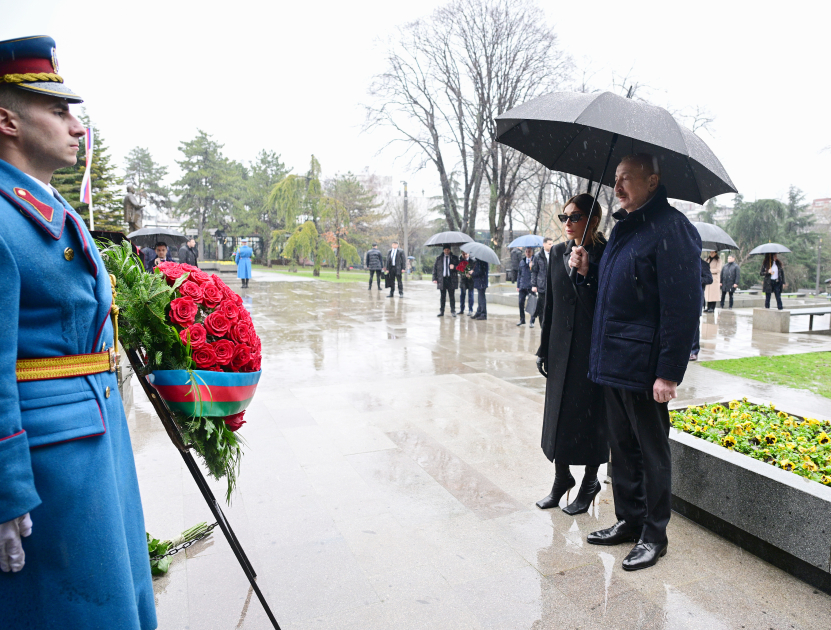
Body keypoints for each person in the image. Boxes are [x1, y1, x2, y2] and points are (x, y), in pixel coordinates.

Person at [0, 36, 156, 628]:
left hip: (90, 441)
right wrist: (6, 491)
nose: (77, 126)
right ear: (7, 120)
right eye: (58, 111)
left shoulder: (44, 206)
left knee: (111, 600)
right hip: (48, 464)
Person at [570, 154, 701, 571]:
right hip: (613, 360)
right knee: (622, 448)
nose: (617, 186)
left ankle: (654, 535)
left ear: (653, 181)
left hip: (644, 366)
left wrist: (668, 372)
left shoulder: (673, 229)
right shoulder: (624, 228)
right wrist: (589, 271)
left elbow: (683, 307)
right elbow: (615, 295)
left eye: (627, 178)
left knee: (650, 452)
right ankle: (629, 520)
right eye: (615, 178)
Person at [536, 195, 608, 515]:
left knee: (591, 418)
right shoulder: (558, 253)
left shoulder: (607, 254)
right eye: (564, 217)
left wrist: (587, 273)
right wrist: (543, 348)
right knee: (559, 415)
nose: (567, 223)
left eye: (575, 217)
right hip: (559, 349)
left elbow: (606, 307)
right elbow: (550, 305)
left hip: (591, 350)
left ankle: (590, 481)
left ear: (593, 220)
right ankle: (561, 478)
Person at [690, 258, 714, 361]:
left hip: (696, 298)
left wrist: (696, 279)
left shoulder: (703, 264)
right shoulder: (683, 261)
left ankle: (694, 351)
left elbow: (709, 279)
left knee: (694, 325)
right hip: (682, 297)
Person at [530, 237, 553, 328]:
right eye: (549, 244)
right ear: (544, 244)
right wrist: (534, 285)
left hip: (552, 287)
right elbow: (534, 271)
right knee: (542, 309)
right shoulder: (538, 256)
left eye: (552, 244)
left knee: (551, 308)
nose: (551, 245)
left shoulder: (554, 254)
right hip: (542, 287)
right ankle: (543, 327)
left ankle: (550, 326)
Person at [432, 246, 458, 317]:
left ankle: (453, 311)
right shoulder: (439, 258)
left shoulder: (454, 258)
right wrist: (434, 278)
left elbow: (459, 267)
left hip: (451, 279)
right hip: (442, 279)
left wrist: (454, 267)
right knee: (442, 296)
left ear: (450, 250)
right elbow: (435, 268)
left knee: (451, 296)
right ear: (443, 250)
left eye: (448, 250)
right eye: (445, 250)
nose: (446, 251)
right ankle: (441, 311)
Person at [516, 247, 534, 326]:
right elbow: (519, 274)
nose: (528, 253)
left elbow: (537, 272)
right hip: (522, 285)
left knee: (532, 303)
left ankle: (532, 321)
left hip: (531, 285)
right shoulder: (522, 262)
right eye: (526, 252)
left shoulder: (534, 261)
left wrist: (532, 267)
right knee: (521, 303)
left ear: (532, 252)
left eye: (529, 252)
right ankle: (522, 319)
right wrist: (518, 285)